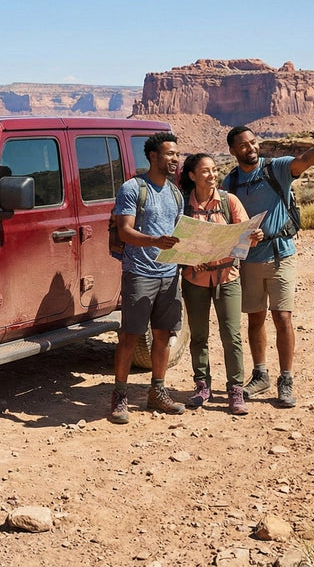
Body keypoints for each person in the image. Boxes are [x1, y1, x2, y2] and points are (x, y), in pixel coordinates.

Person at [223, 126, 314, 408]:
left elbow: (303, 160)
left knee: (283, 318)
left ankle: (286, 379)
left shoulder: (275, 168)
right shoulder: (230, 183)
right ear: (233, 151)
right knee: (255, 319)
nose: (250, 148)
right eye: (243, 145)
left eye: (253, 142)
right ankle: (260, 374)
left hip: (280, 255)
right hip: (249, 260)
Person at [108, 131, 185, 424]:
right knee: (130, 336)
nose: (175, 159)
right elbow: (125, 231)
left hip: (169, 273)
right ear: (153, 157)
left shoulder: (176, 192)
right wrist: (155, 241)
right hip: (139, 273)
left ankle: (157, 391)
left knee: (163, 336)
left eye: (177, 154)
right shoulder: (133, 188)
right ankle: (119, 395)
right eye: (169, 154)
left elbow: (179, 233)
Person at [178, 153, 261, 416]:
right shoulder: (183, 206)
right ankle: (202, 386)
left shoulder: (229, 201)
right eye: (205, 171)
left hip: (227, 279)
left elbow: (246, 239)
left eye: (214, 170)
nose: (212, 175)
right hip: (195, 280)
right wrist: (191, 259)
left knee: (232, 336)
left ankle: (235, 389)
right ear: (192, 176)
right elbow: (176, 243)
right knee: (199, 336)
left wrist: (254, 235)